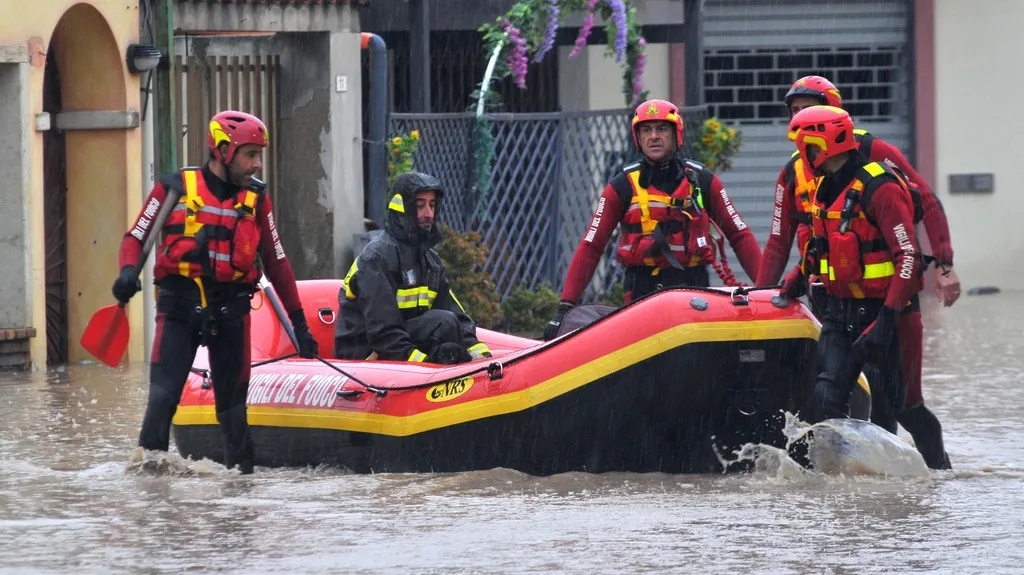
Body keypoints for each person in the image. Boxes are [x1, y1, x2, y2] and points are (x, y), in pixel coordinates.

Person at [758, 76, 954, 468]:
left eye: (805, 117)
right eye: (793, 113)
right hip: (837, 305)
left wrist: (943, 266)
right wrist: (774, 291)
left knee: (901, 406)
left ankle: (936, 477)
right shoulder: (814, 185)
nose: (798, 146)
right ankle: (841, 489)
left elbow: (909, 251)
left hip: (889, 310)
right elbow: (805, 245)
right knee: (826, 398)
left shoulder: (878, 182)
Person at [113, 110, 319, 475]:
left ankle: (240, 494)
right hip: (178, 309)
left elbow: (278, 262)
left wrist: (299, 323)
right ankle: (150, 492)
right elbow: (136, 237)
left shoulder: (257, 200)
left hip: (231, 313)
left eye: (259, 155)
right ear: (222, 150)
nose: (257, 164)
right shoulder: (174, 187)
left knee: (234, 412)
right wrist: (127, 272)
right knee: (161, 399)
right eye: (249, 154)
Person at [544, 98, 762, 341]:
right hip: (641, 294)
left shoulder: (702, 181)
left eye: (662, 129)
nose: (654, 136)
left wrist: (766, 288)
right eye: (646, 130)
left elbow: (739, 234)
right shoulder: (622, 186)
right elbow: (592, 245)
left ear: (676, 135)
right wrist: (565, 306)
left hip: (695, 291)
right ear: (638, 138)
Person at [757, 75, 961, 306]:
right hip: (828, 296)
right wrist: (758, 298)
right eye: (795, 110)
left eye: (807, 109)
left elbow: (928, 201)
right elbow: (777, 243)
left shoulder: (871, 149)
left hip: (886, 296)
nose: (800, 116)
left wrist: (945, 266)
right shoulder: (791, 172)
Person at [334, 171, 492, 365]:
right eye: (419, 205)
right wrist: (426, 363)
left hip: (401, 348)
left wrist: (481, 358)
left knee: (447, 322)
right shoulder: (376, 259)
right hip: (364, 356)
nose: (429, 213)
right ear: (403, 209)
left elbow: (455, 315)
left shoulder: (431, 262)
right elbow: (383, 332)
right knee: (443, 322)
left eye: (432, 205)